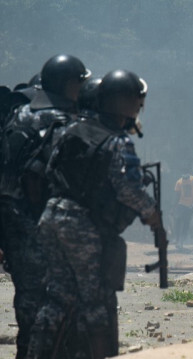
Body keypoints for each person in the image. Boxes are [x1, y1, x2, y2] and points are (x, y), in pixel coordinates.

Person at [28, 70, 161, 359]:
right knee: (97, 300)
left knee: (57, 296)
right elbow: (128, 190)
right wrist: (152, 215)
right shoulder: (117, 142)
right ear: (128, 104)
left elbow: (49, 170)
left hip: (51, 216)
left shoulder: (71, 130)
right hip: (82, 226)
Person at [0, 54, 90, 359]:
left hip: (13, 225)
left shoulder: (17, 116)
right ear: (67, 84)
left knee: (28, 307)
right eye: (79, 83)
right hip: (48, 230)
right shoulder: (67, 123)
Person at [174, 173, 193, 248]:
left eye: (186, 178)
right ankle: (177, 240)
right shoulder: (179, 182)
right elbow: (177, 195)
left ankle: (182, 241)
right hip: (181, 204)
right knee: (178, 221)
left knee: (186, 224)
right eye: (183, 178)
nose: (185, 179)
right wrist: (175, 206)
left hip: (190, 206)